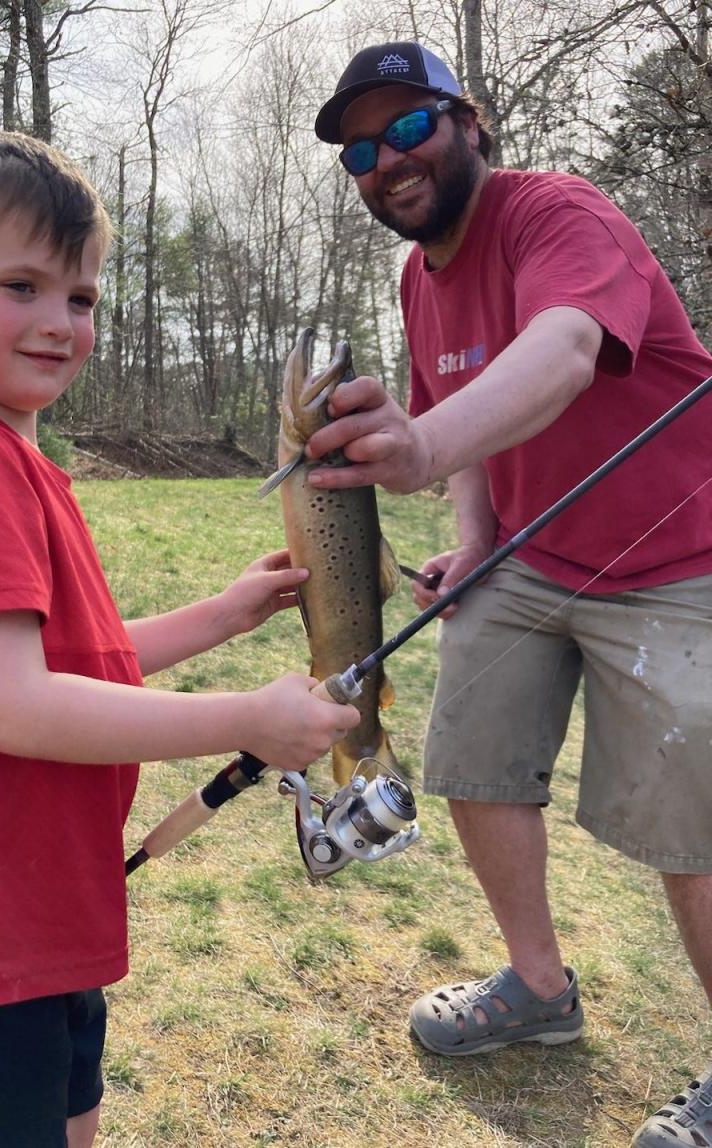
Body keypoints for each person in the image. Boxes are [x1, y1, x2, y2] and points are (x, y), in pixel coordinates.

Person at [0, 127, 360, 1148]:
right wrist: (244, 719)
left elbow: (71, 663)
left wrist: (219, 616)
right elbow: (13, 706)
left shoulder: (19, 460)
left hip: (47, 918)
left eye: (81, 297)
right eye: (21, 286)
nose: (59, 321)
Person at [309, 41, 712, 1148]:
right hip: (534, 553)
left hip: (680, 556)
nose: (386, 159)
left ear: (469, 122)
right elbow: (474, 411)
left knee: (694, 822)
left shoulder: (559, 215)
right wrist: (474, 539)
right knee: (472, 746)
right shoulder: (415, 275)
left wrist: (418, 441)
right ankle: (538, 988)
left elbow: (567, 348)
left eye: (408, 128)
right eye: (359, 148)